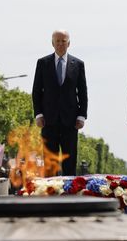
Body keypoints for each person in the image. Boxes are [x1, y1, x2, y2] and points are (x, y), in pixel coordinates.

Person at [32, 30, 88, 176]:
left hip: (71, 121)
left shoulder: (78, 64)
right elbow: (36, 91)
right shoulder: (43, 63)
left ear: (69, 43)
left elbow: (82, 92)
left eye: (63, 41)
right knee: (50, 162)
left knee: (70, 161)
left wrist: (81, 116)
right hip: (48, 120)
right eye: (57, 41)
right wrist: (38, 114)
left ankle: (69, 195)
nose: (60, 44)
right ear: (52, 43)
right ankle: (51, 194)